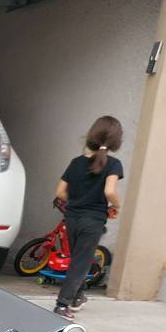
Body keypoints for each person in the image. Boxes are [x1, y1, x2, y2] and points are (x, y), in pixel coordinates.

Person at [52, 116, 124, 319]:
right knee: (80, 262)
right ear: (116, 141)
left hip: (72, 219)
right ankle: (62, 304)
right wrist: (116, 205)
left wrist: (77, 201)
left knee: (79, 260)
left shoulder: (75, 163)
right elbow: (110, 191)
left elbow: (60, 192)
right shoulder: (113, 164)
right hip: (92, 221)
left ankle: (77, 297)